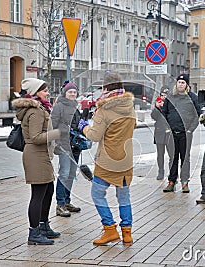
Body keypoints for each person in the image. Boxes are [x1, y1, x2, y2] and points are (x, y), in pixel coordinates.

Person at [79, 72, 136, 246]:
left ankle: (109, 229)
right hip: (126, 160)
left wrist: (84, 127)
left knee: (97, 194)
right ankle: (127, 234)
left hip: (107, 162)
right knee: (124, 197)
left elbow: (95, 136)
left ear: (105, 88)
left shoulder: (104, 109)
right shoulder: (130, 106)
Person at [12, 78, 61, 245]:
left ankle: (43, 225)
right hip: (36, 155)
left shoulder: (40, 108)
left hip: (42, 155)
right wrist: (57, 134)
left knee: (48, 190)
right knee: (38, 194)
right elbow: (35, 137)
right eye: (44, 90)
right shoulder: (35, 111)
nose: (48, 93)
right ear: (35, 92)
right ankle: (34, 233)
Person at [161, 74, 199, 193]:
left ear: (187, 84)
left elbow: (197, 115)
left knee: (185, 158)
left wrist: (190, 129)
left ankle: (184, 182)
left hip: (185, 133)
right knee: (173, 158)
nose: (180, 84)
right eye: (179, 82)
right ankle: (172, 181)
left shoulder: (192, 97)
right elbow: (163, 114)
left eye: (183, 82)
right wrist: (167, 129)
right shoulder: (170, 97)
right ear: (176, 83)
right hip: (171, 133)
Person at [51, 82, 82, 217]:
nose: (72, 94)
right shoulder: (59, 106)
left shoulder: (76, 107)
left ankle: (67, 201)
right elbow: (52, 125)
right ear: (65, 93)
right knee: (64, 173)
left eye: (74, 92)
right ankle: (60, 204)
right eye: (70, 92)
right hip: (64, 145)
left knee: (71, 174)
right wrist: (57, 142)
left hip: (75, 145)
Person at [151, 88, 170, 180]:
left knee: (172, 154)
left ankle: (172, 172)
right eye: (162, 95)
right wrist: (157, 108)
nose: (163, 97)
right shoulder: (158, 105)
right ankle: (161, 171)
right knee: (160, 154)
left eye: (165, 95)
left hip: (170, 133)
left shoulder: (172, 105)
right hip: (160, 132)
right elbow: (154, 117)